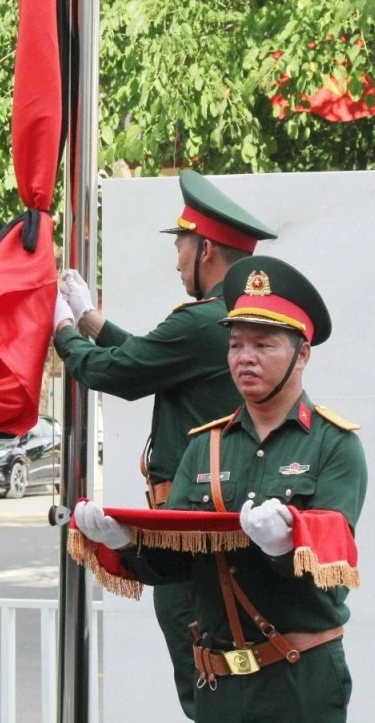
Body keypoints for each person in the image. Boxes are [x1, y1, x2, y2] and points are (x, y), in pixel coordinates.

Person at [74, 256, 367, 723]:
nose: (244, 357)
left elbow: (332, 561)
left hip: (298, 682)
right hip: (218, 687)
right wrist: (125, 542)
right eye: (235, 344)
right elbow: (178, 563)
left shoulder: (335, 444)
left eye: (263, 344)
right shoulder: (205, 447)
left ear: (303, 352)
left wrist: (286, 543)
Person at [51, 169, 276, 718]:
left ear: (205, 250)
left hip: (187, 532)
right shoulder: (223, 319)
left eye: (180, 246)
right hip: (210, 526)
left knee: (204, 684)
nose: (176, 261)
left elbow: (121, 373)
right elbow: (155, 359)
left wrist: (61, 331)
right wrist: (89, 319)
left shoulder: (203, 322)